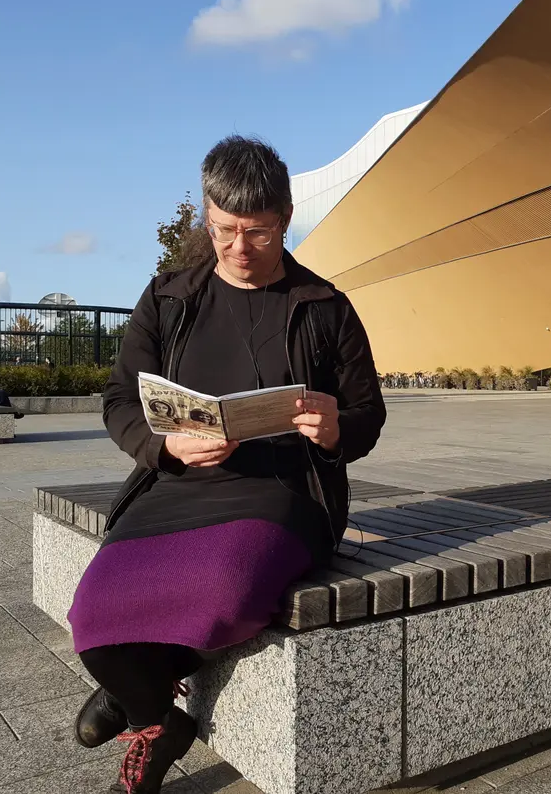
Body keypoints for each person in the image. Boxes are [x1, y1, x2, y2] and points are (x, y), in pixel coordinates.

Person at [67, 136, 386, 793]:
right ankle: (159, 714)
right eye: (224, 230)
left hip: (283, 492)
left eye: (258, 232)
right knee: (93, 618)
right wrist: (164, 446)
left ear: (285, 219)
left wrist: (335, 428)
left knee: (221, 598)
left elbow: (367, 416)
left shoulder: (324, 307)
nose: (240, 248)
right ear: (207, 217)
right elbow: (120, 398)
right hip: (177, 484)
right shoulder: (169, 298)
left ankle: (138, 712)